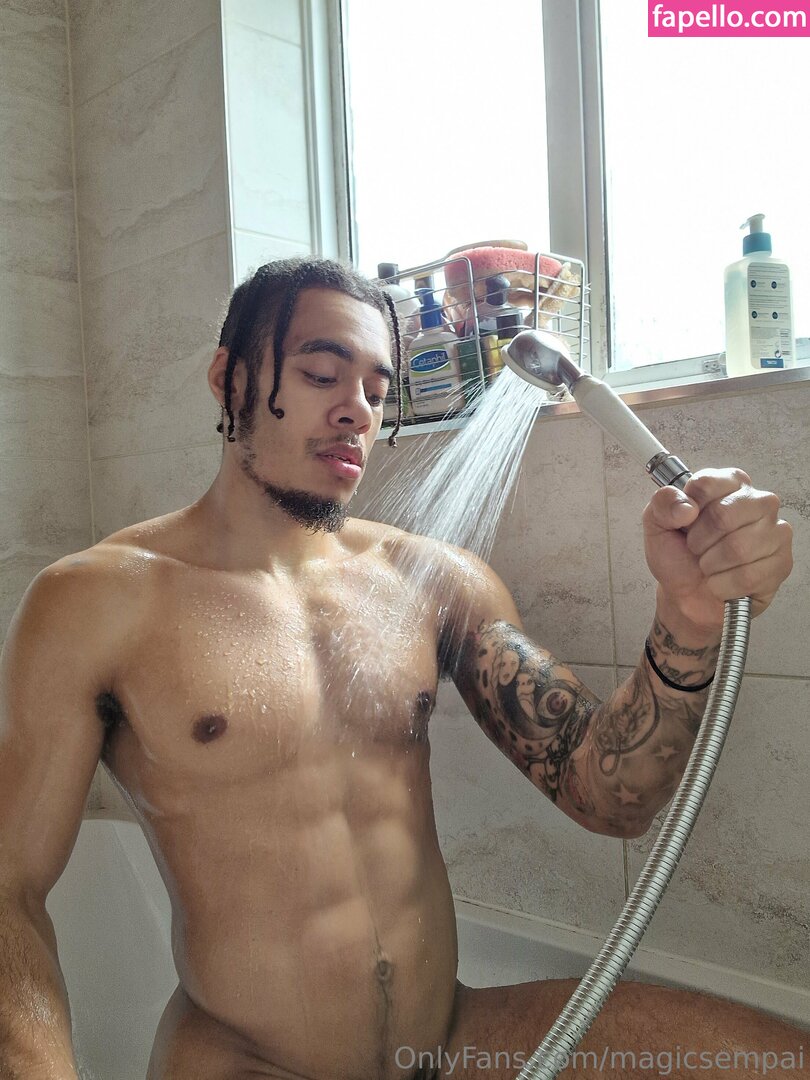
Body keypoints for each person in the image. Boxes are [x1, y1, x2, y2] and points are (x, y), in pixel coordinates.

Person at [0, 257, 802, 1080]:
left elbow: (608, 792)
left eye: (377, 390)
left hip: (443, 1043)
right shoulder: (97, 602)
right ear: (229, 379)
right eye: (322, 374)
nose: (356, 409)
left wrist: (689, 619)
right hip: (250, 1063)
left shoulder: (429, 581)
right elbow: (9, 894)